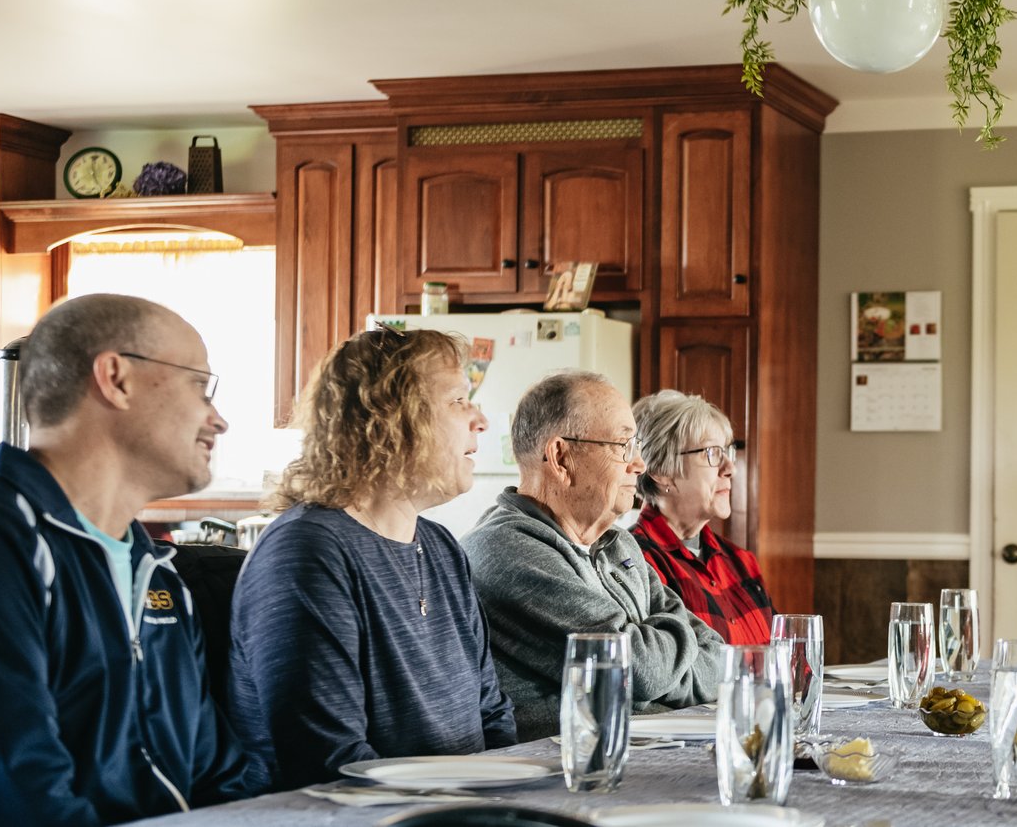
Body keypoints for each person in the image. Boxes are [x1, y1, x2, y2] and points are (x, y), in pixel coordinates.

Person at [0, 294, 253, 826]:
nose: (219, 419)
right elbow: (15, 799)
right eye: (198, 386)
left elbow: (219, 777)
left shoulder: (158, 571)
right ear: (115, 378)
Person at [228, 327, 516, 789]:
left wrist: (509, 796)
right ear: (390, 420)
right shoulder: (305, 552)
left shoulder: (442, 548)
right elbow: (333, 763)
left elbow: (492, 714)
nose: (479, 419)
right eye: (458, 401)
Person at [462, 371, 724, 740]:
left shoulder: (619, 544)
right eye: (622, 446)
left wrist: (656, 663)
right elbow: (640, 668)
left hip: (641, 755)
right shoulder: (506, 551)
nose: (639, 464)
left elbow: (716, 656)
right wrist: (671, 650)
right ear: (560, 457)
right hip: (558, 773)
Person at [629, 390, 774, 644]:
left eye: (727, 452)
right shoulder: (637, 563)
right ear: (662, 470)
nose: (731, 468)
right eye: (711, 453)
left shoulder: (742, 562)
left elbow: (784, 659)